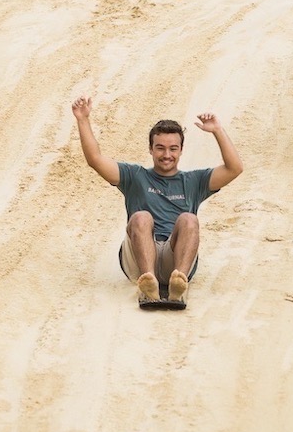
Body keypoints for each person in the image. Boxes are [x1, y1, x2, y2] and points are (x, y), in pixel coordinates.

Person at [71, 96, 243, 304]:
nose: (166, 154)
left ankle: (178, 283)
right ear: (151, 149)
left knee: (189, 219)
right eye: (160, 147)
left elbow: (235, 168)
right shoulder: (134, 176)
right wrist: (82, 119)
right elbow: (95, 160)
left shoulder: (194, 181)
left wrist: (217, 130)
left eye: (173, 148)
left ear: (181, 150)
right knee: (141, 217)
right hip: (140, 256)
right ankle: (148, 282)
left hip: (177, 256)